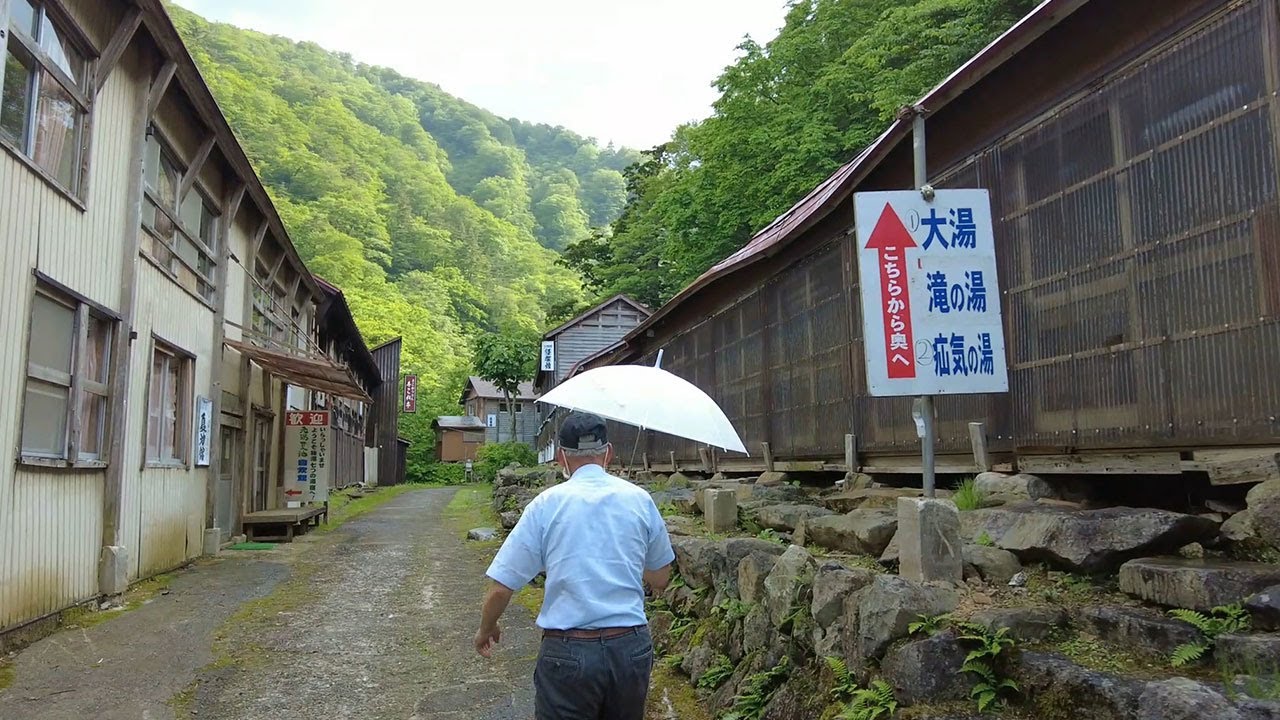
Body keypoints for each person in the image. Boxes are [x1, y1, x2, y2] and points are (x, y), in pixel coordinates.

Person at [474, 412, 675, 719]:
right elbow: (661, 577)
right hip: (629, 647)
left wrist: (487, 627)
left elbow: (502, 586)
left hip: (568, 652)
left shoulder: (545, 505)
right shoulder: (639, 499)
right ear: (608, 453)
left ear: (561, 457)